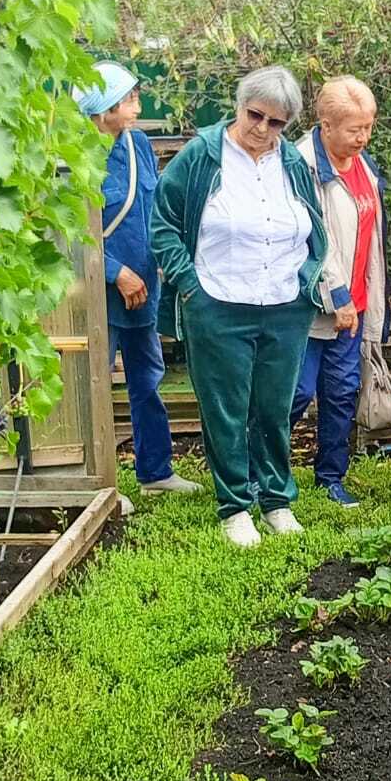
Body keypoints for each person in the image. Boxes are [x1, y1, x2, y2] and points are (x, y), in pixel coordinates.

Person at [150, 66, 328, 548]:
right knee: (226, 409)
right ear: (239, 106)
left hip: (284, 306)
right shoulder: (202, 156)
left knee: (274, 407)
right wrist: (190, 285)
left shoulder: (291, 162)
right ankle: (235, 506)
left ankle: (276, 501)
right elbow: (162, 223)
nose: (263, 130)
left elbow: (312, 221)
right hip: (219, 304)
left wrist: (310, 276)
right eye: (256, 115)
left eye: (277, 123)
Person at [74, 62, 201, 506]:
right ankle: (100, 484)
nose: (137, 106)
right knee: (93, 387)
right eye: (129, 99)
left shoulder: (139, 145)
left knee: (147, 381)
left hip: (144, 290)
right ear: (103, 107)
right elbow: (71, 230)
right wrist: (114, 272)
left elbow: (155, 207)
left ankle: (155, 471)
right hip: (98, 294)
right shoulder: (73, 156)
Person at [290, 76, 389, 509]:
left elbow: (370, 239)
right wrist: (338, 295)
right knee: (295, 392)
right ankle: (263, 472)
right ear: (325, 124)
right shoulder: (301, 166)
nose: (363, 137)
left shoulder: (363, 165)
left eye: (368, 127)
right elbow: (311, 238)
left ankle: (331, 476)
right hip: (310, 306)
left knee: (343, 391)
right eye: (354, 129)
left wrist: (364, 301)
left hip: (357, 305)